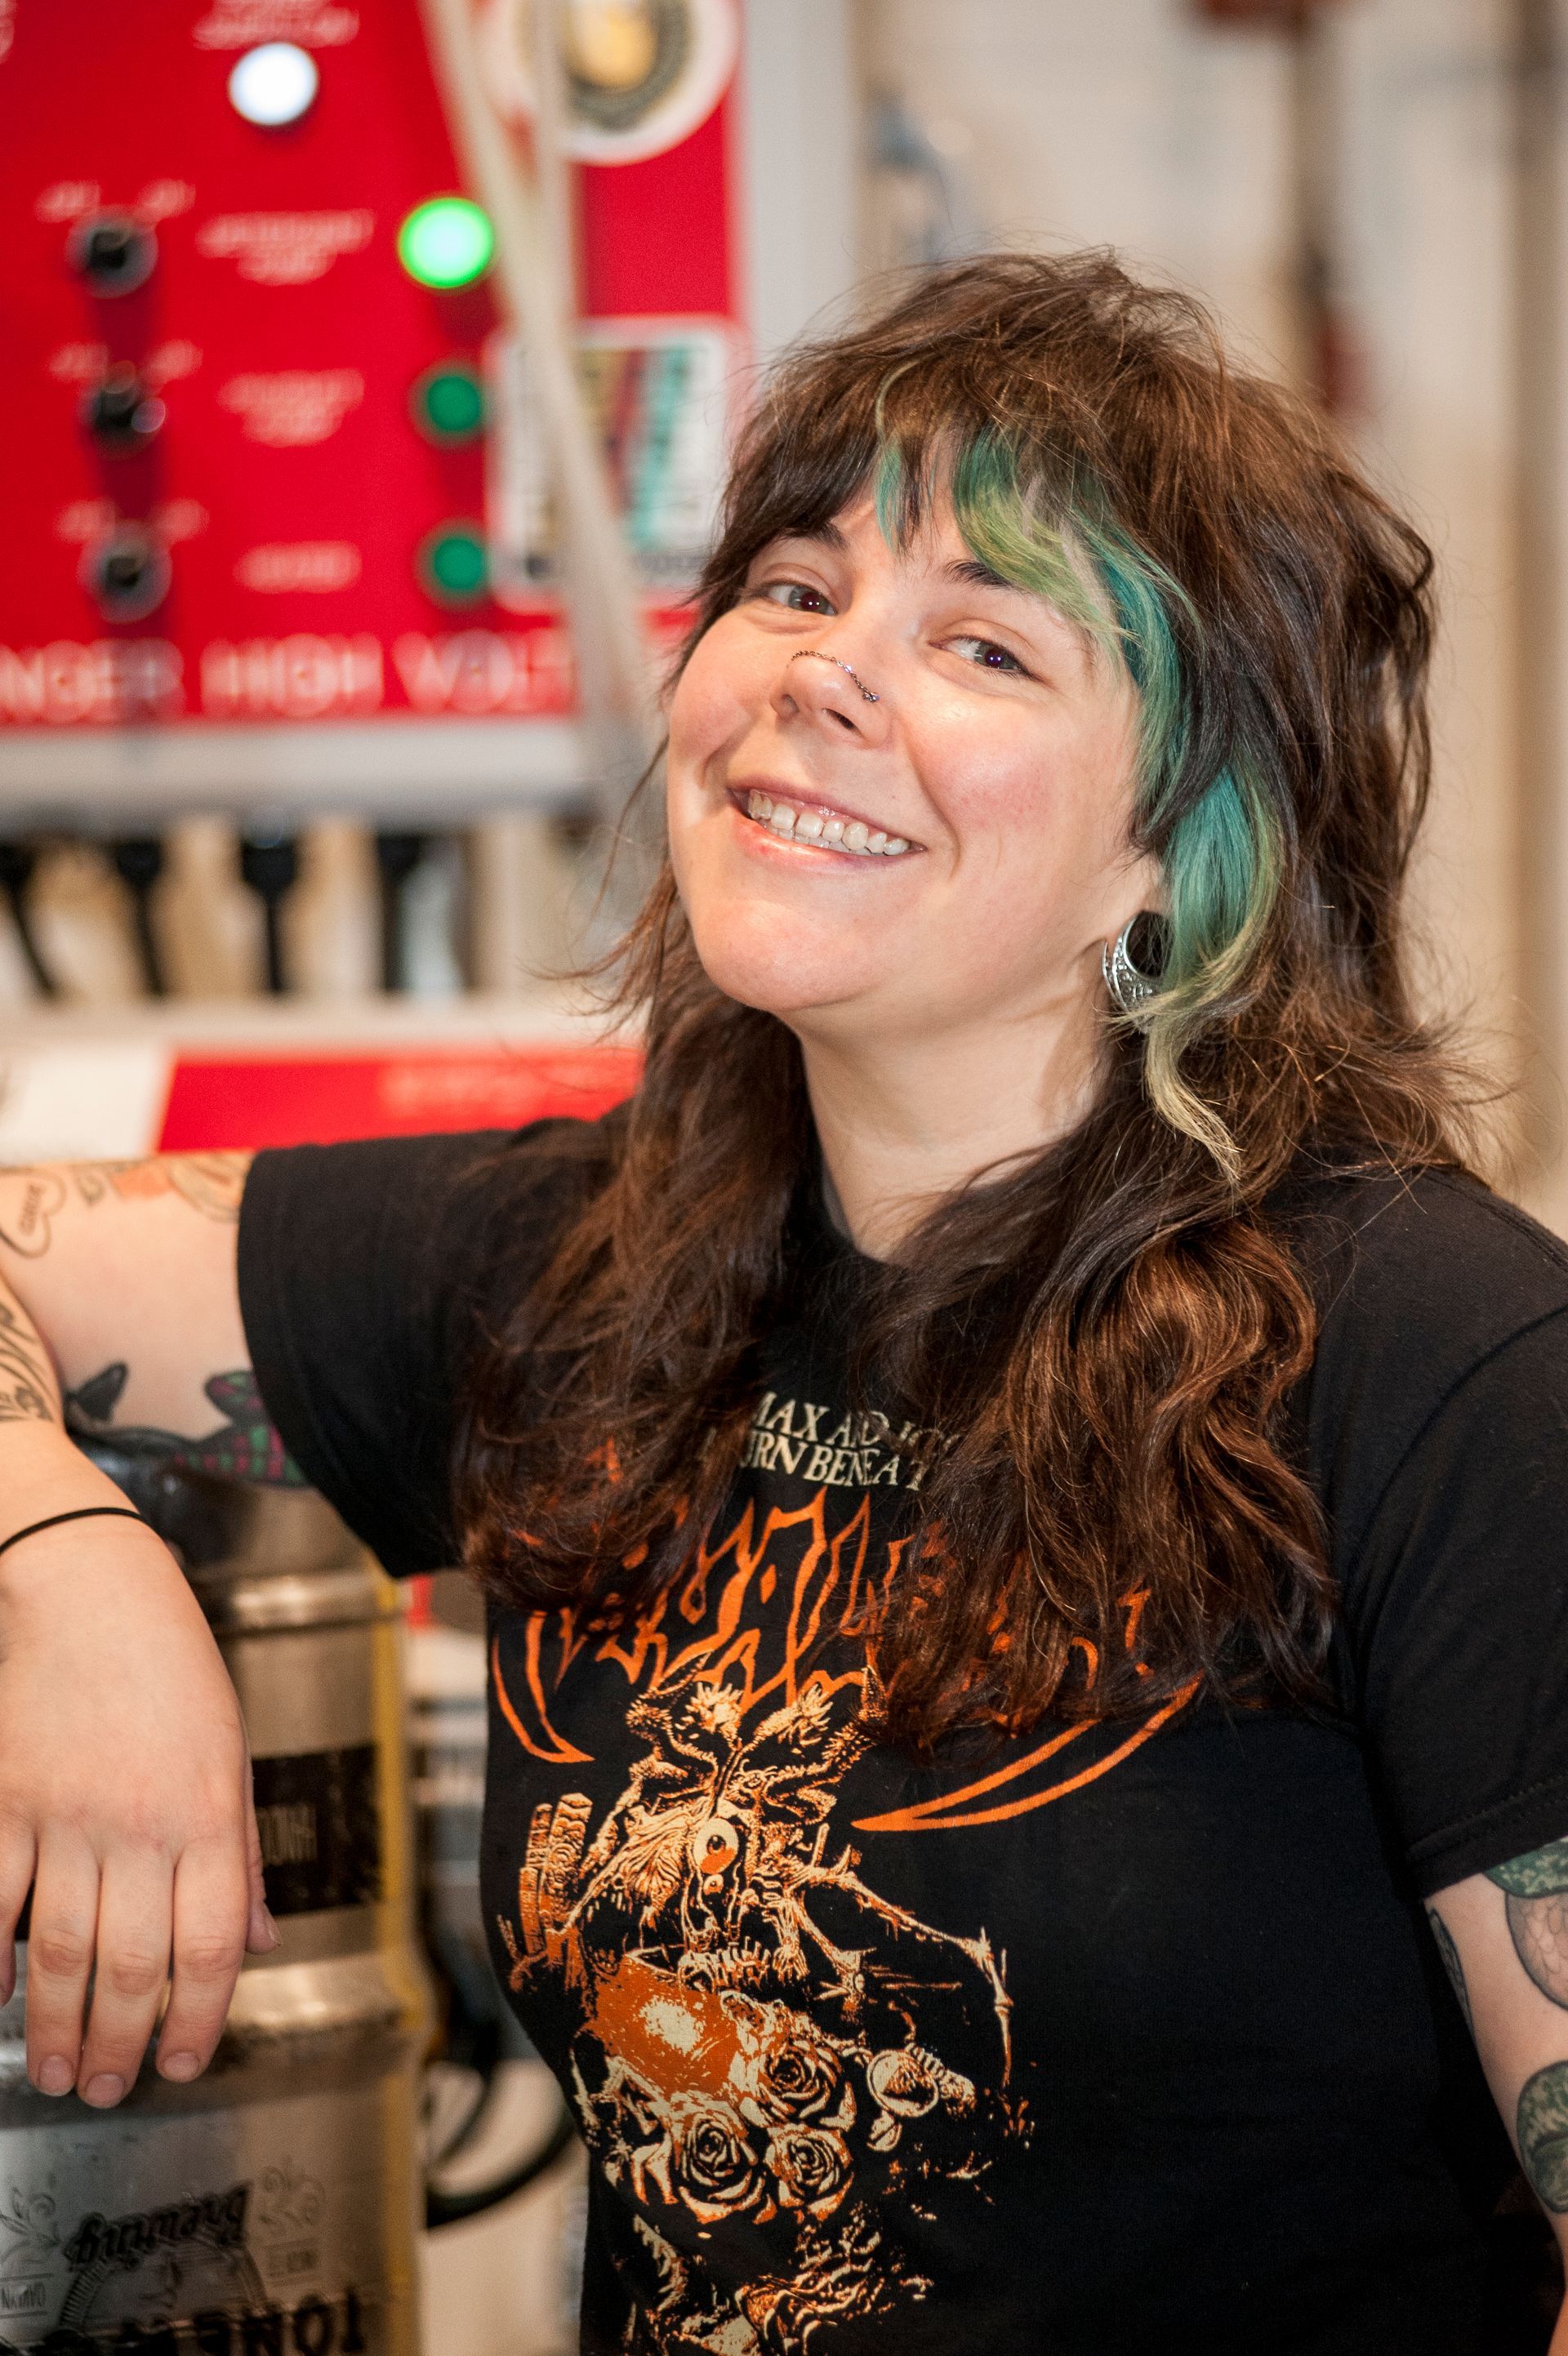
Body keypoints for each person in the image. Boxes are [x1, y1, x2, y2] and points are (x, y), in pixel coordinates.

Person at [2, 252, 1568, 2356]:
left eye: (984, 645)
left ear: (1180, 850)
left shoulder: (1443, 1364)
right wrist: (68, 1566)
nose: (826, 674)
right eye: (795, 587)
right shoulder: (597, 1265)